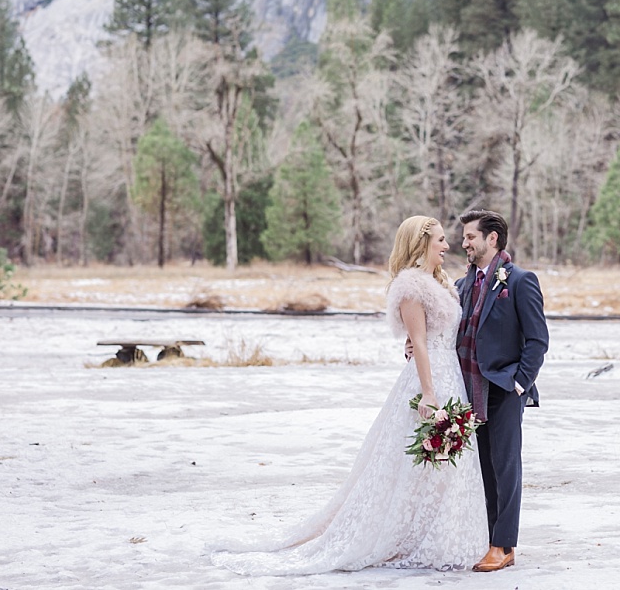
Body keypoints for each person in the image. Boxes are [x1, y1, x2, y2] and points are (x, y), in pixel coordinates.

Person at [208, 216, 487, 576]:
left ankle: (439, 534)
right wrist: (429, 394)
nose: (446, 246)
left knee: (445, 465)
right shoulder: (410, 287)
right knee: (419, 461)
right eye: (439, 241)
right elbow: (418, 342)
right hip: (429, 379)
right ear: (420, 245)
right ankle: (404, 536)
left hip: (451, 376)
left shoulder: (442, 282)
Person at [456, 209, 549, 572]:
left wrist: (518, 383)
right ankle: (492, 539)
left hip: (505, 388)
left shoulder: (521, 281)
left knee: (506, 467)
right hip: (471, 388)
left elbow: (538, 339)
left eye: (469, 237)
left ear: (491, 238)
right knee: (484, 468)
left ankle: (504, 545)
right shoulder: (464, 284)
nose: (464, 243)